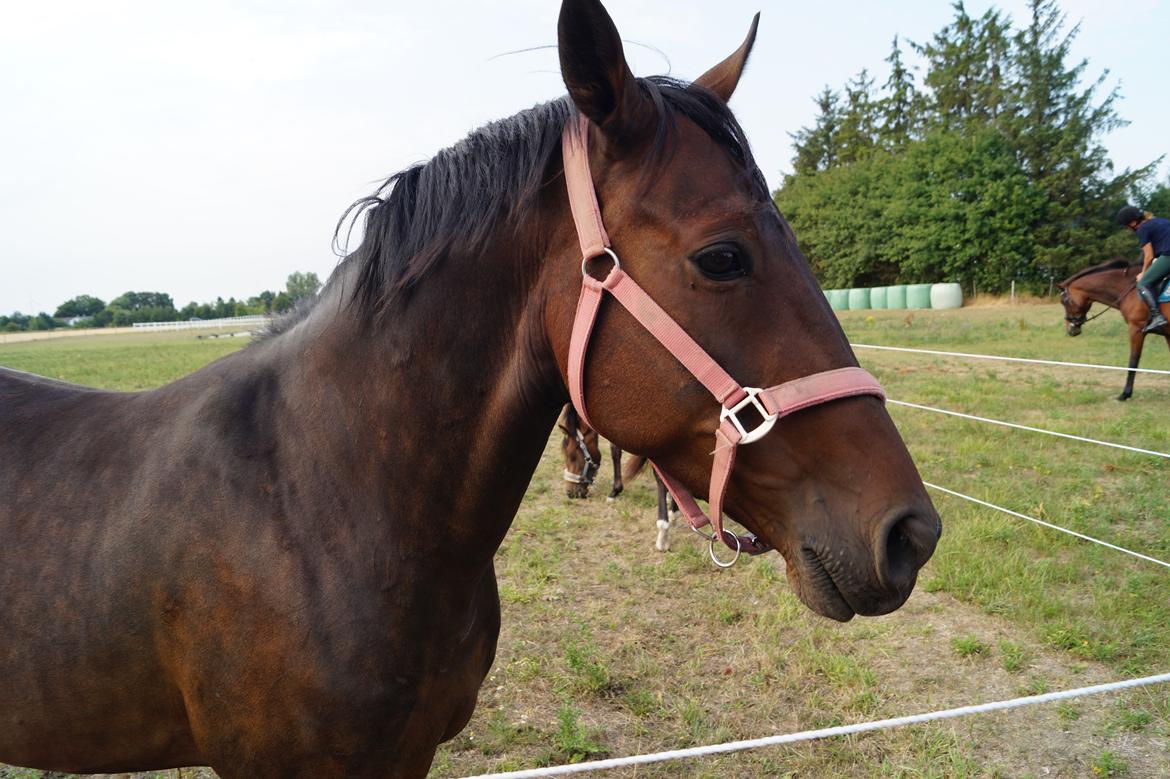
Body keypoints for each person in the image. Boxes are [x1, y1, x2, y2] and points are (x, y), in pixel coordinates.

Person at [1117, 205, 1170, 332]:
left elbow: (1149, 256)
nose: (1127, 229)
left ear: (1133, 222)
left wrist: (1143, 273)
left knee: (1143, 284)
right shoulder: (1161, 221)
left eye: (1126, 226)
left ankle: (1157, 316)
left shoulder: (1142, 229)